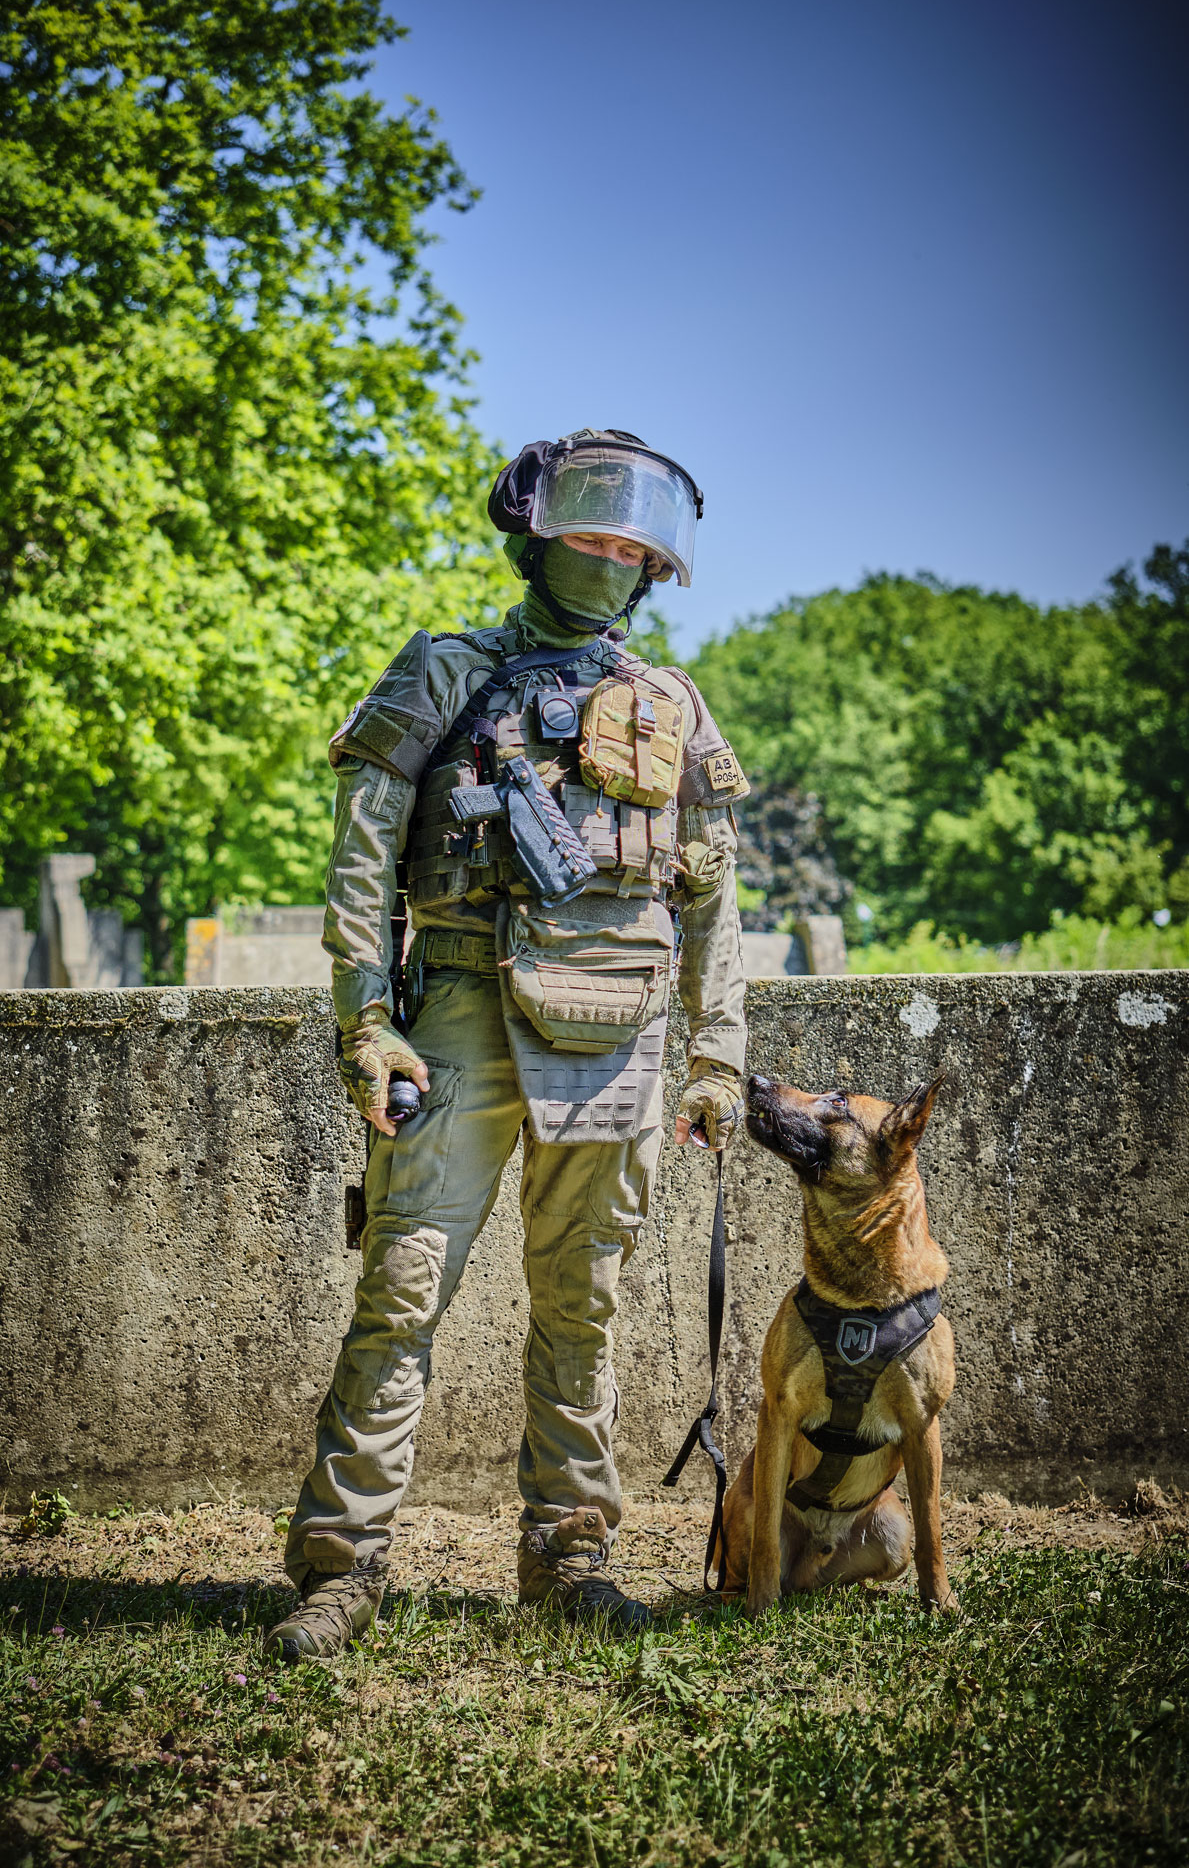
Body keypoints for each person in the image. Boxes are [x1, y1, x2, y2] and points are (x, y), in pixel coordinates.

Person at [265, 429, 749, 1663]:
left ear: (656, 569)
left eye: (632, 545)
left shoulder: (670, 706)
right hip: (461, 1019)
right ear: (534, 530)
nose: (610, 557)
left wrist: (718, 1055)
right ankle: (342, 1563)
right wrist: (365, 1022)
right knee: (403, 1286)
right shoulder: (442, 671)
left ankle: (569, 1553)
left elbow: (710, 895)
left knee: (584, 1303)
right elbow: (362, 861)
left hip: (621, 1032)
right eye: (591, 532)